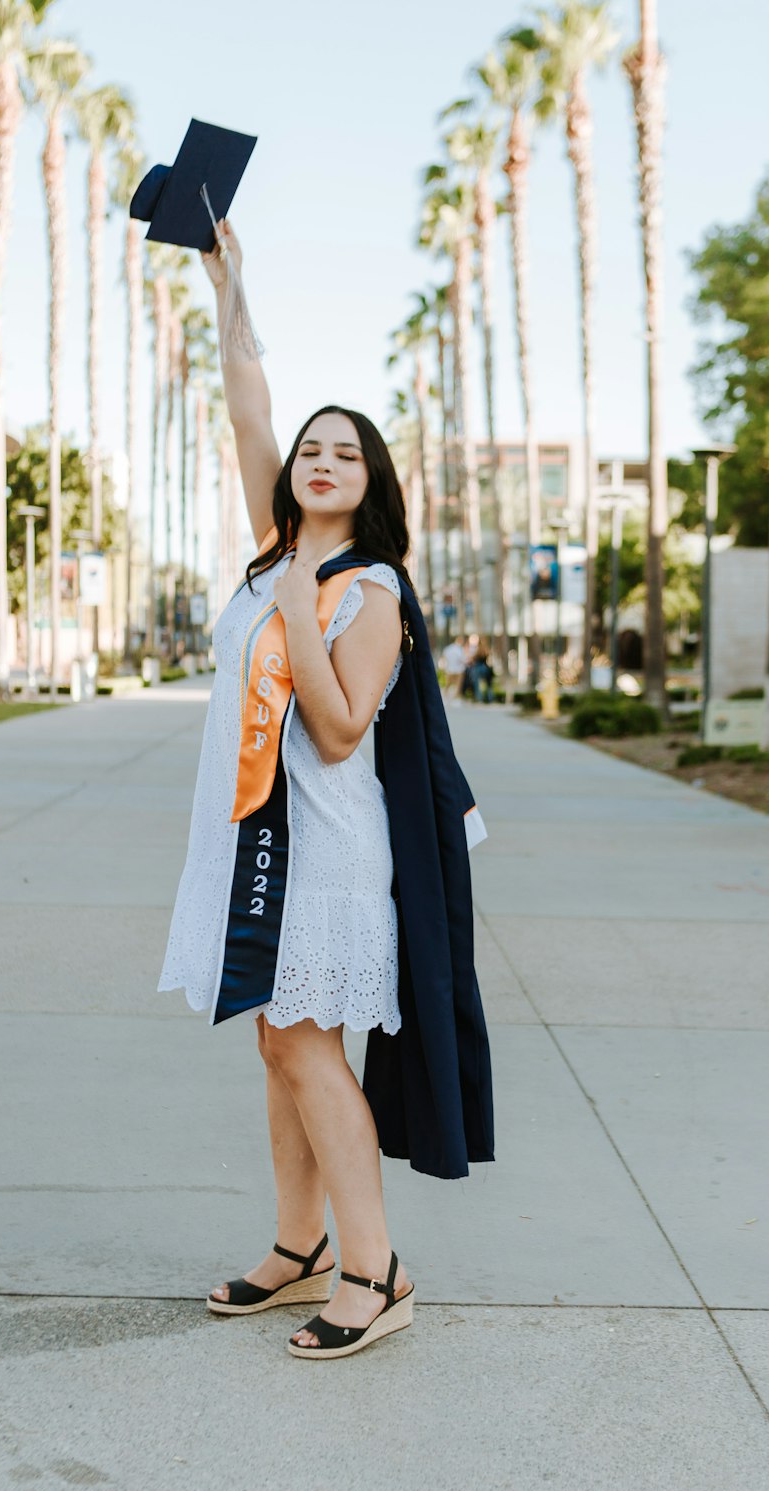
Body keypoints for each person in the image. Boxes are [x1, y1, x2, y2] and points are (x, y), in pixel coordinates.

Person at [157, 219, 493, 1361]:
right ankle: (299, 1243)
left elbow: (345, 732)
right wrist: (230, 281)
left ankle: (375, 1266)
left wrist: (304, 606)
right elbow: (250, 402)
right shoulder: (273, 550)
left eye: (344, 453)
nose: (317, 459)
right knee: (275, 1040)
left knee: (305, 1041)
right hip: (254, 835)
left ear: (371, 482)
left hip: (329, 848)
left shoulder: (370, 589)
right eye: (312, 448)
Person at [441, 635, 467, 701]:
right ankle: (455, 697)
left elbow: (444, 657)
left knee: (448, 684)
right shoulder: (459, 649)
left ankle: (445, 696)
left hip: (449, 669)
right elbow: (462, 659)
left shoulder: (448, 648)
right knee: (458, 685)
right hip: (458, 670)